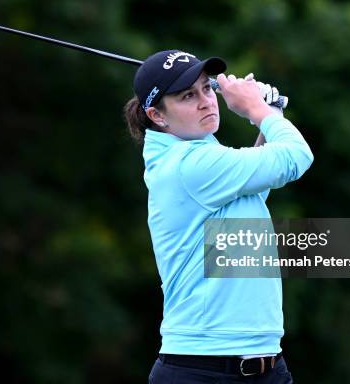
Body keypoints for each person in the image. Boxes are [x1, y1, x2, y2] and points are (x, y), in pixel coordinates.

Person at [123, 50, 313, 383]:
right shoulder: (189, 166)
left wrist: (272, 112)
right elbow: (296, 157)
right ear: (158, 115)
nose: (206, 101)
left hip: (265, 366)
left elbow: (253, 190)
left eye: (206, 88)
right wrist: (257, 110)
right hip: (203, 370)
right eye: (187, 96)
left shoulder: (203, 160)